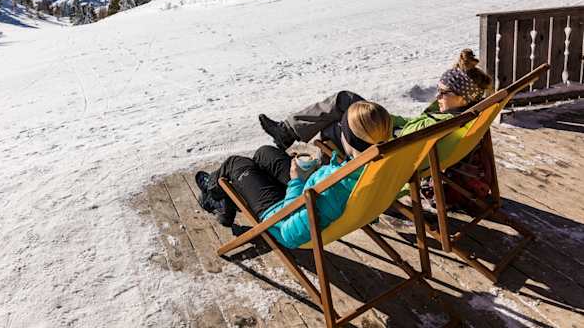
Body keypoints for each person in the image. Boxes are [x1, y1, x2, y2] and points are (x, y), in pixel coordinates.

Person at [195, 101, 393, 249]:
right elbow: (326, 196)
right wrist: (313, 175)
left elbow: (290, 231)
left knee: (235, 164)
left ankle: (214, 195)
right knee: (265, 153)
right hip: (310, 198)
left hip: (282, 217)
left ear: (348, 138)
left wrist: (296, 180)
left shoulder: (337, 184)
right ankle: (225, 200)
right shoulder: (380, 168)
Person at [258, 49, 493, 150]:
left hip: (381, 142)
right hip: (388, 133)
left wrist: (376, 119)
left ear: (462, 98)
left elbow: (401, 137)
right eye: (438, 90)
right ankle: (287, 132)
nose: (437, 96)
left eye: (444, 93)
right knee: (344, 101)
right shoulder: (457, 117)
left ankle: (289, 140)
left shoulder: (441, 123)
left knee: (337, 117)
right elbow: (408, 127)